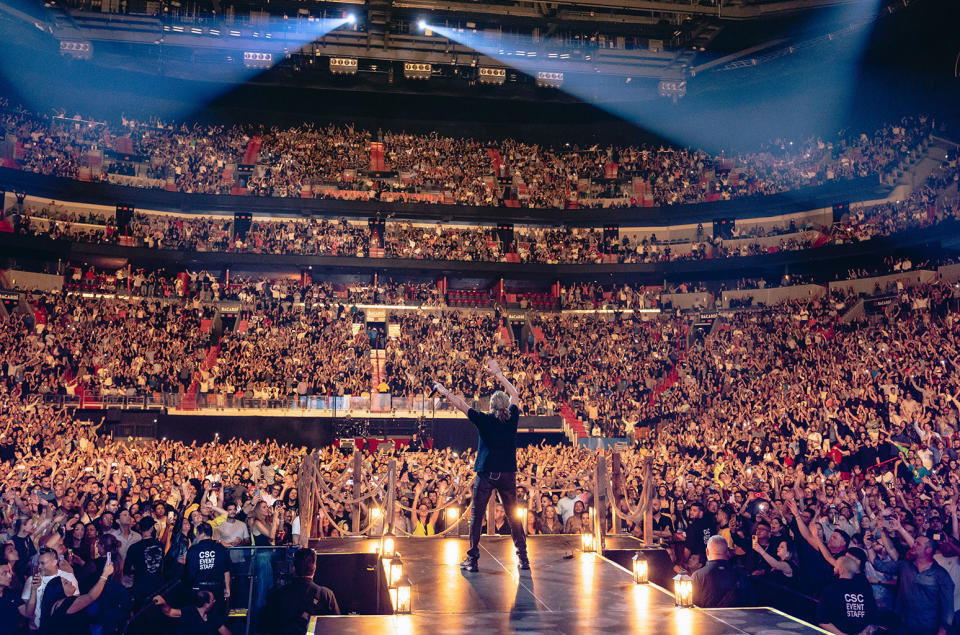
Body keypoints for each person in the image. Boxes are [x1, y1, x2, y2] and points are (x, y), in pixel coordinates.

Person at [434, 358, 529, 572]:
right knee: (513, 514)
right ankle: (523, 558)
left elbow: (460, 404)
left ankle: (473, 559)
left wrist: (442, 390)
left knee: (477, 515)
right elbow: (515, 394)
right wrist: (498, 374)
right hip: (507, 474)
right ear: (506, 406)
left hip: (486, 474)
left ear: (491, 406)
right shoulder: (512, 417)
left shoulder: (484, 420)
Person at [261, 548, 339, 635]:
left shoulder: (277, 594)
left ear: (293, 568)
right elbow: (337, 627)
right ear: (314, 568)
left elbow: (267, 627)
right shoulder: (326, 595)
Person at [37, 560, 115, 634]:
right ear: (59, 591)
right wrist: (105, 574)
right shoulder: (65, 603)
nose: (70, 582)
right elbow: (91, 597)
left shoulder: (56, 605)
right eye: (66, 583)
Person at [816, 554, 879, 635]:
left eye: (836, 567)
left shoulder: (830, 590)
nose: (834, 569)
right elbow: (873, 618)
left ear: (840, 570)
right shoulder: (865, 590)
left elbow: (822, 621)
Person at [20, 548, 80, 631]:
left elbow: (76, 603)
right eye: (38, 563)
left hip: (61, 628)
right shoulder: (32, 579)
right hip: (38, 629)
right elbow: (28, 612)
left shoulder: (68, 578)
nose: (39, 566)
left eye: (43, 563)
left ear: (55, 562)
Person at [183, 523, 230, 619]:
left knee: (199, 618)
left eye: (197, 534)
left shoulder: (193, 550)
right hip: (217, 588)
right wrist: (227, 588)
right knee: (217, 618)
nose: (196, 536)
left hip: (199, 589)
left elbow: (189, 572)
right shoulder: (220, 548)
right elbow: (226, 570)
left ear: (202, 534)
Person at [691, 536, 749, 608]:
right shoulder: (741, 574)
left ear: (707, 551)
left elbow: (693, 605)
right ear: (727, 552)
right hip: (736, 618)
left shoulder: (698, 576)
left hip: (707, 618)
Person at [124, 517, 165, 608]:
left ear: (140, 529)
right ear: (151, 528)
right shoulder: (160, 545)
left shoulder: (134, 547)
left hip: (140, 588)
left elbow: (126, 569)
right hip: (158, 587)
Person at [153, 590, 231, 635]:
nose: (214, 601)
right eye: (212, 600)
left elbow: (225, 632)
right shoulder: (189, 611)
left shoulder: (213, 615)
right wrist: (163, 603)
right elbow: (169, 612)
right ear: (206, 603)